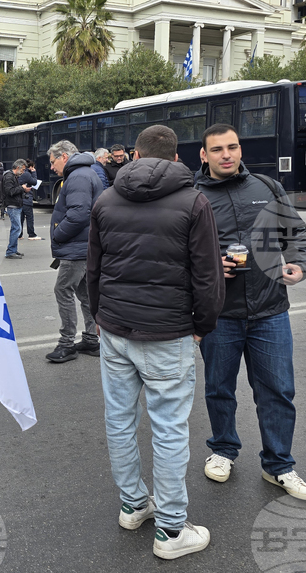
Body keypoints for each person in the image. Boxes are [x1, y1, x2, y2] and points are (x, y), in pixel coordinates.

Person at [87, 125, 223, 560]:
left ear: (135, 155)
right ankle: (169, 530)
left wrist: (100, 318)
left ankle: (132, 505)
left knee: (119, 420)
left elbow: (95, 269)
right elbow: (207, 274)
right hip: (168, 332)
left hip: (115, 330)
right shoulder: (193, 201)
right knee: (168, 430)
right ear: (176, 156)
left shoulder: (106, 199)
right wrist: (203, 324)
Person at [194, 124, 306, 501]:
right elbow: (180, 252)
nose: (226, 155)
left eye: (232, 147)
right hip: (221, 314)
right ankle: (223, 450)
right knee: (219, 389)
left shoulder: (266, 187)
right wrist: (214, 263)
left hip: (270, 310)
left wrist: (299, 262)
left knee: (278, 390)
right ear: (204, 155)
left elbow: (293, 232)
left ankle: (279, 465)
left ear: (240, 149)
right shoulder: (193, 196)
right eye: (217, 150)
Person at [45, 141, 104, 362]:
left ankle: (66, 343)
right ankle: (90, 339)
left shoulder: (78, 176)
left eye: (53, 162)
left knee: (63, 290)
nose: (52, 167)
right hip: (84, 245)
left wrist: (58, 234)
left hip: (76, 248)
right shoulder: (84, 173)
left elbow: (79, 214)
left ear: (64, 157)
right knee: (85, 294)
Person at [1, 160, 30, 259]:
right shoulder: (9, 176)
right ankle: (10, 251)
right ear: (18, 167)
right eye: (23, 169)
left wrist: (23, 190)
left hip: (16, 205)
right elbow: (9, 191)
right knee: (16, 228)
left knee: (16, 228)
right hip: (12, 206)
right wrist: (22, 188)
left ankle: (13, 250)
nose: (23, 172)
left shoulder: (13, 176)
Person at [18, 162, 41, 240]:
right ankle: (31, 234)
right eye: (33, 167)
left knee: (20, 218)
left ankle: (19, 234)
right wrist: (34, 173)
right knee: (29, 218)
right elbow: (34, 182)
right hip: (27, 199)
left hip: (20, 199)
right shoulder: (27, 174)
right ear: (30, 167)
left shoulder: (19, 174)